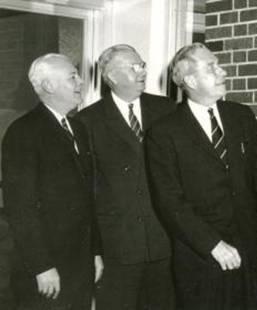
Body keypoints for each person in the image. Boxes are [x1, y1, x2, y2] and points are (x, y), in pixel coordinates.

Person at [146, 42, 257, 310]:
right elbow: (170, 202)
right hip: (202, 257)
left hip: (249, 249)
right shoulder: (163, 133)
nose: (223, 73)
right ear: (190, 80)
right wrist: (213, 244)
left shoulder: (241, 116)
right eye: (212, 67)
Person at [77, 44, 176, 310]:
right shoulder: (87, 122)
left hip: (165, 242)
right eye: (133, 67)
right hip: (117, 247)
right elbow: (86, 192)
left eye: (142, 64)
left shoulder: (167, 109)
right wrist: (94, 249)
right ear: (111, 77)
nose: (142, 71)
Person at [2, 53, 103, 310]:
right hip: (48, 270)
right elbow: (20, 207)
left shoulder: (78, 129)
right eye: (73, 77)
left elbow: (88, 198)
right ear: (48, 86)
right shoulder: (23, 132)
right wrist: (42, 266)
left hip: (80, 264)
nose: (81, 82)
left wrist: (95, 252)